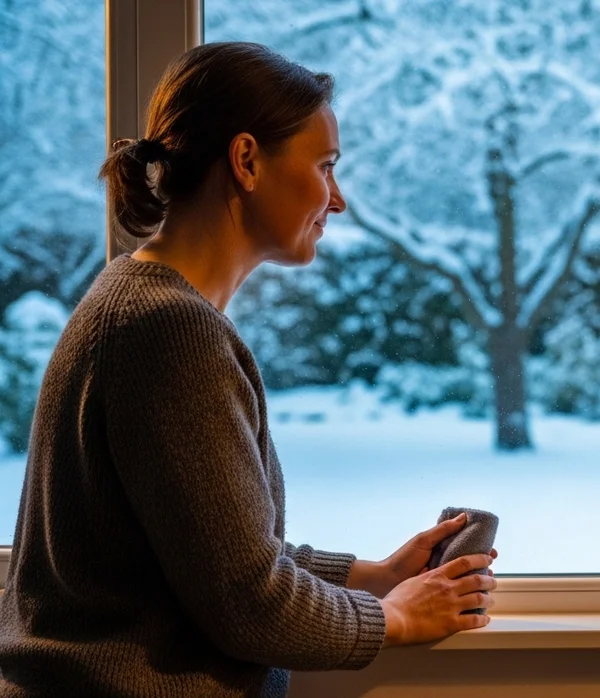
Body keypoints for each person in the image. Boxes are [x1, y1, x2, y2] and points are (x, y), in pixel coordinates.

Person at [0, 41, 497, 697]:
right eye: (325, 166)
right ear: (246, 161)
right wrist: (393, 618)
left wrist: (368, 577)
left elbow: (207, 550)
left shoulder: (130, 298)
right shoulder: (169, 331)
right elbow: (248, 603)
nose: (338, 199)